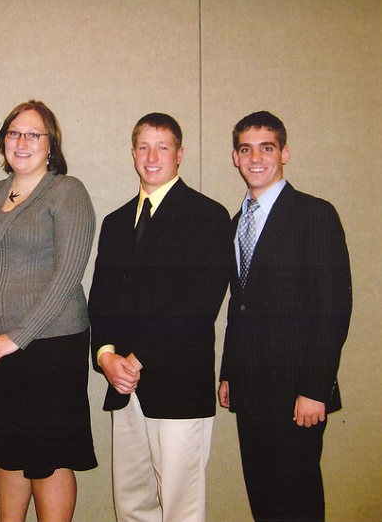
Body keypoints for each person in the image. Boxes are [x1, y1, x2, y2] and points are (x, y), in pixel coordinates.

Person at [0, 100, 98, 522]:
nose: (23, 142)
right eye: (15, 132)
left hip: (50, 346)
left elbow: (67, 275)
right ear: (3, 140)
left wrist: (16, 337)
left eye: (34, 134)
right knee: (7, 450)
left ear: (51, 144)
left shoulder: (67, 192)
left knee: (47, 457)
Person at [89, 113, 233, 522]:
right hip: (123, 385)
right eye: (143, 147)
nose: (152, 157)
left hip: (178, 384)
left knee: (180, 506)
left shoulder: (207, 215)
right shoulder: (116, 222)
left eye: (163, 147)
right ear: (133, 153)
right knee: (131, 502)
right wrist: (106, 356)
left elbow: (199, 304)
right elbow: (101, 299)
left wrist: (138, 359)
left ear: (180, 154)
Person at [218, 111, 352, 522]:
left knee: (298, 505)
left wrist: (316, 388)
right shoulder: (238, 221)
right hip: (252, 391)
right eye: (246, 149)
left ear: (285, 153)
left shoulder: (315, 214)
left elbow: (333, 309)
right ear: (235, 158)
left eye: (267, 147)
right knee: (265, 503)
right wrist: (229, 372)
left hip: (299, 394)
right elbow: (238, 306)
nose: (256, 158)